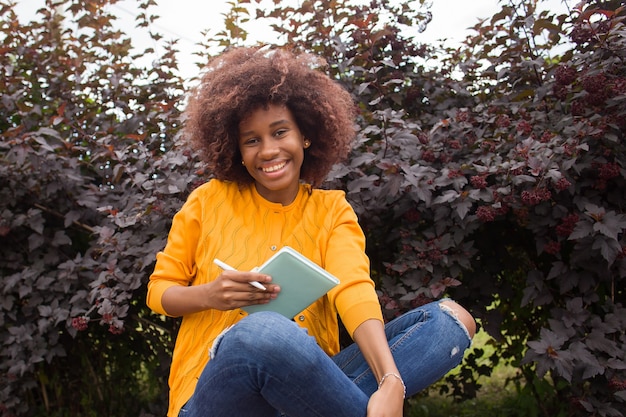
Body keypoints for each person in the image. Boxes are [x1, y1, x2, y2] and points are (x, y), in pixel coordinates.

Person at [147, 46, 476, 417]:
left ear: (305, 134)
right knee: (263, 333)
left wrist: (390, 382)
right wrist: (211, 295)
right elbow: (159, 292)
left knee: (450, 321)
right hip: (213, 396)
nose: (268, 150)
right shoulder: (208, 201)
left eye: (280, 132)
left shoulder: (331, 210)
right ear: (237, 150)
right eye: (252, 140)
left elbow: (353, 289)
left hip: (303, 397)